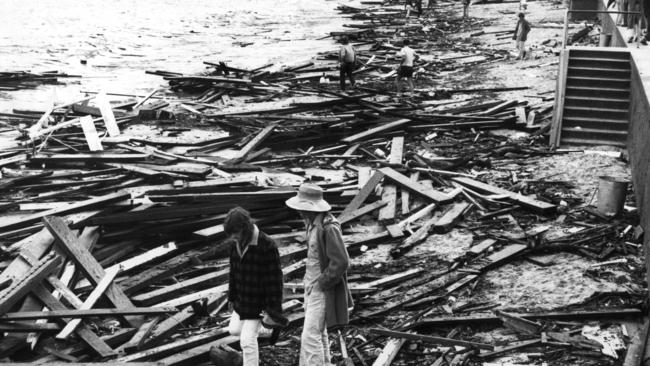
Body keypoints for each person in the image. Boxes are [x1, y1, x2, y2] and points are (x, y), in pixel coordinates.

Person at [286, 184, 353, 366]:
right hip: (311, 286)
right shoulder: (312, 224)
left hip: (321, 289)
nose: (299, 212)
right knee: (318, 333)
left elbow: (341, 261)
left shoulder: (328, 228)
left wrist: (322, 283)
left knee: (310, 336)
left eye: (302, 208)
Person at [224, 207, 287, 366]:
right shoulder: (234, 245)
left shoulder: (267, 245)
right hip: (242, 299)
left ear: (245, 228)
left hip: (260, 303)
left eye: (236, 233)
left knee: (246, 340)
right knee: (234, 330)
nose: (233, 237)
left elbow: (275, 280)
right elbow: (233, 273)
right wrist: (231, 297)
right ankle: (268, 329)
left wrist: (273, 309)